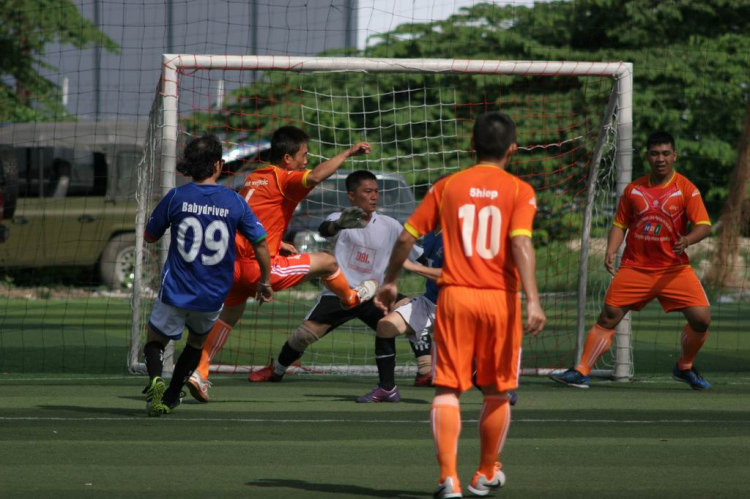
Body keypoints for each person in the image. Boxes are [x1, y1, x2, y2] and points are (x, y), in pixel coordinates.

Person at [375, 111, 545, 498]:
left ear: (473, 147)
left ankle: (447, 479)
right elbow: (521, 243)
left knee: (448, 391)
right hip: (500, 301)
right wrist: (533, 300)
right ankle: (485, 472)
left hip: (454, 299)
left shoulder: (448, 186)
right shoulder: (520, 190)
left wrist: (390, 281)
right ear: (512, 149)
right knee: (497, 391)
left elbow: (405, 237)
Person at [186, 126, 375, 402]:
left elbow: (253, 215)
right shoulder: (285, 179)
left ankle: (199, 373)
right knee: (328, 262)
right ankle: (351, 298)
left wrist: (278, 241)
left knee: (228, 317)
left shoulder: (256, 176)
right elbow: (319, 176)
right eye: (303, 155)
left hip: (231, 264)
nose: (306, 160)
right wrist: (348, 151)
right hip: (257, 266)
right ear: (287, 159)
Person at [550, 131, 713, 390]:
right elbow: (620, 224)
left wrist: (688, 240)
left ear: (675, 156)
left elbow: (704, 225)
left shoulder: (686, 189)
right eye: (655, 153)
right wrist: (611, 249)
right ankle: (581, 371)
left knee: (702, 319)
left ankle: (684, 367)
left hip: (674, 269)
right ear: (647, 156)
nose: (660, 159)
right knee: (609, 316)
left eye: (666, 153)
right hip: (635, 267)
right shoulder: (634, 189)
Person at [249, 170, 430, 396]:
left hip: (374, 294)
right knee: (303, 337)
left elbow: (418, 256)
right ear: (352, 196)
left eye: (376, 191)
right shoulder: (339, 217)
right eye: (367, 191)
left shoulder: (391, 225)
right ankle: (276, 370)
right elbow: (326, 229)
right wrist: (340, 225)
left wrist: (439, 268)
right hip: (340, 293)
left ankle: (425, 371)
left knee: (414, 310)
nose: (374, 196)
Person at [142, 134, 273, 417]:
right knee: (196, 342)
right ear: (219, 165)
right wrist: (265, 280)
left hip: (176, 289)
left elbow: (150, 237)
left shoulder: (176, 196)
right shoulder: (234, 201)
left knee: (155, 339)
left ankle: (155, 379)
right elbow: (261, 243)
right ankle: (173, 394)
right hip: (213, 294)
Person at [359, 225, 443, 403]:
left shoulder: (458, 235)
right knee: (385, 326)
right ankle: (387, 388)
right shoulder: (428, 235)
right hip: (429, 302)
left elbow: (453, 275)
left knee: (465, 368)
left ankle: (497, 392)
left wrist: (411, 266)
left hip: (455, 304)